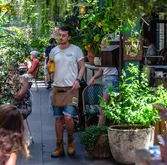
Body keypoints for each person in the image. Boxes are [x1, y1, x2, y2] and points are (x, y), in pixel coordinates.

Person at [49, 26, 85, 158]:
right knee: (58, 119)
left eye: (64, 35)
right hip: (57, 89)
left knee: (68, 117)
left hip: (72, 89)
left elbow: (82, 67)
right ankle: (59, 147)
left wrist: (78, 80)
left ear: (69, 37)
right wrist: (49, 69)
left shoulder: (76, 50)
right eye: (59, 35)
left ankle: (70, 141)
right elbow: (51, 71)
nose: (61, 37)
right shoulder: (53, 51)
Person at [89, 40, 119, 126]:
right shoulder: (104, 55)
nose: (102, 46)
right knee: (106, 108)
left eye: (104, 44)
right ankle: (104, 130)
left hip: (111, 80)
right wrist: (93, 78)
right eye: (101, 44)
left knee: (103, 108)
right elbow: (101, 70)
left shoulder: (112, 53)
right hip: (107, 80)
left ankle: (99, 131)